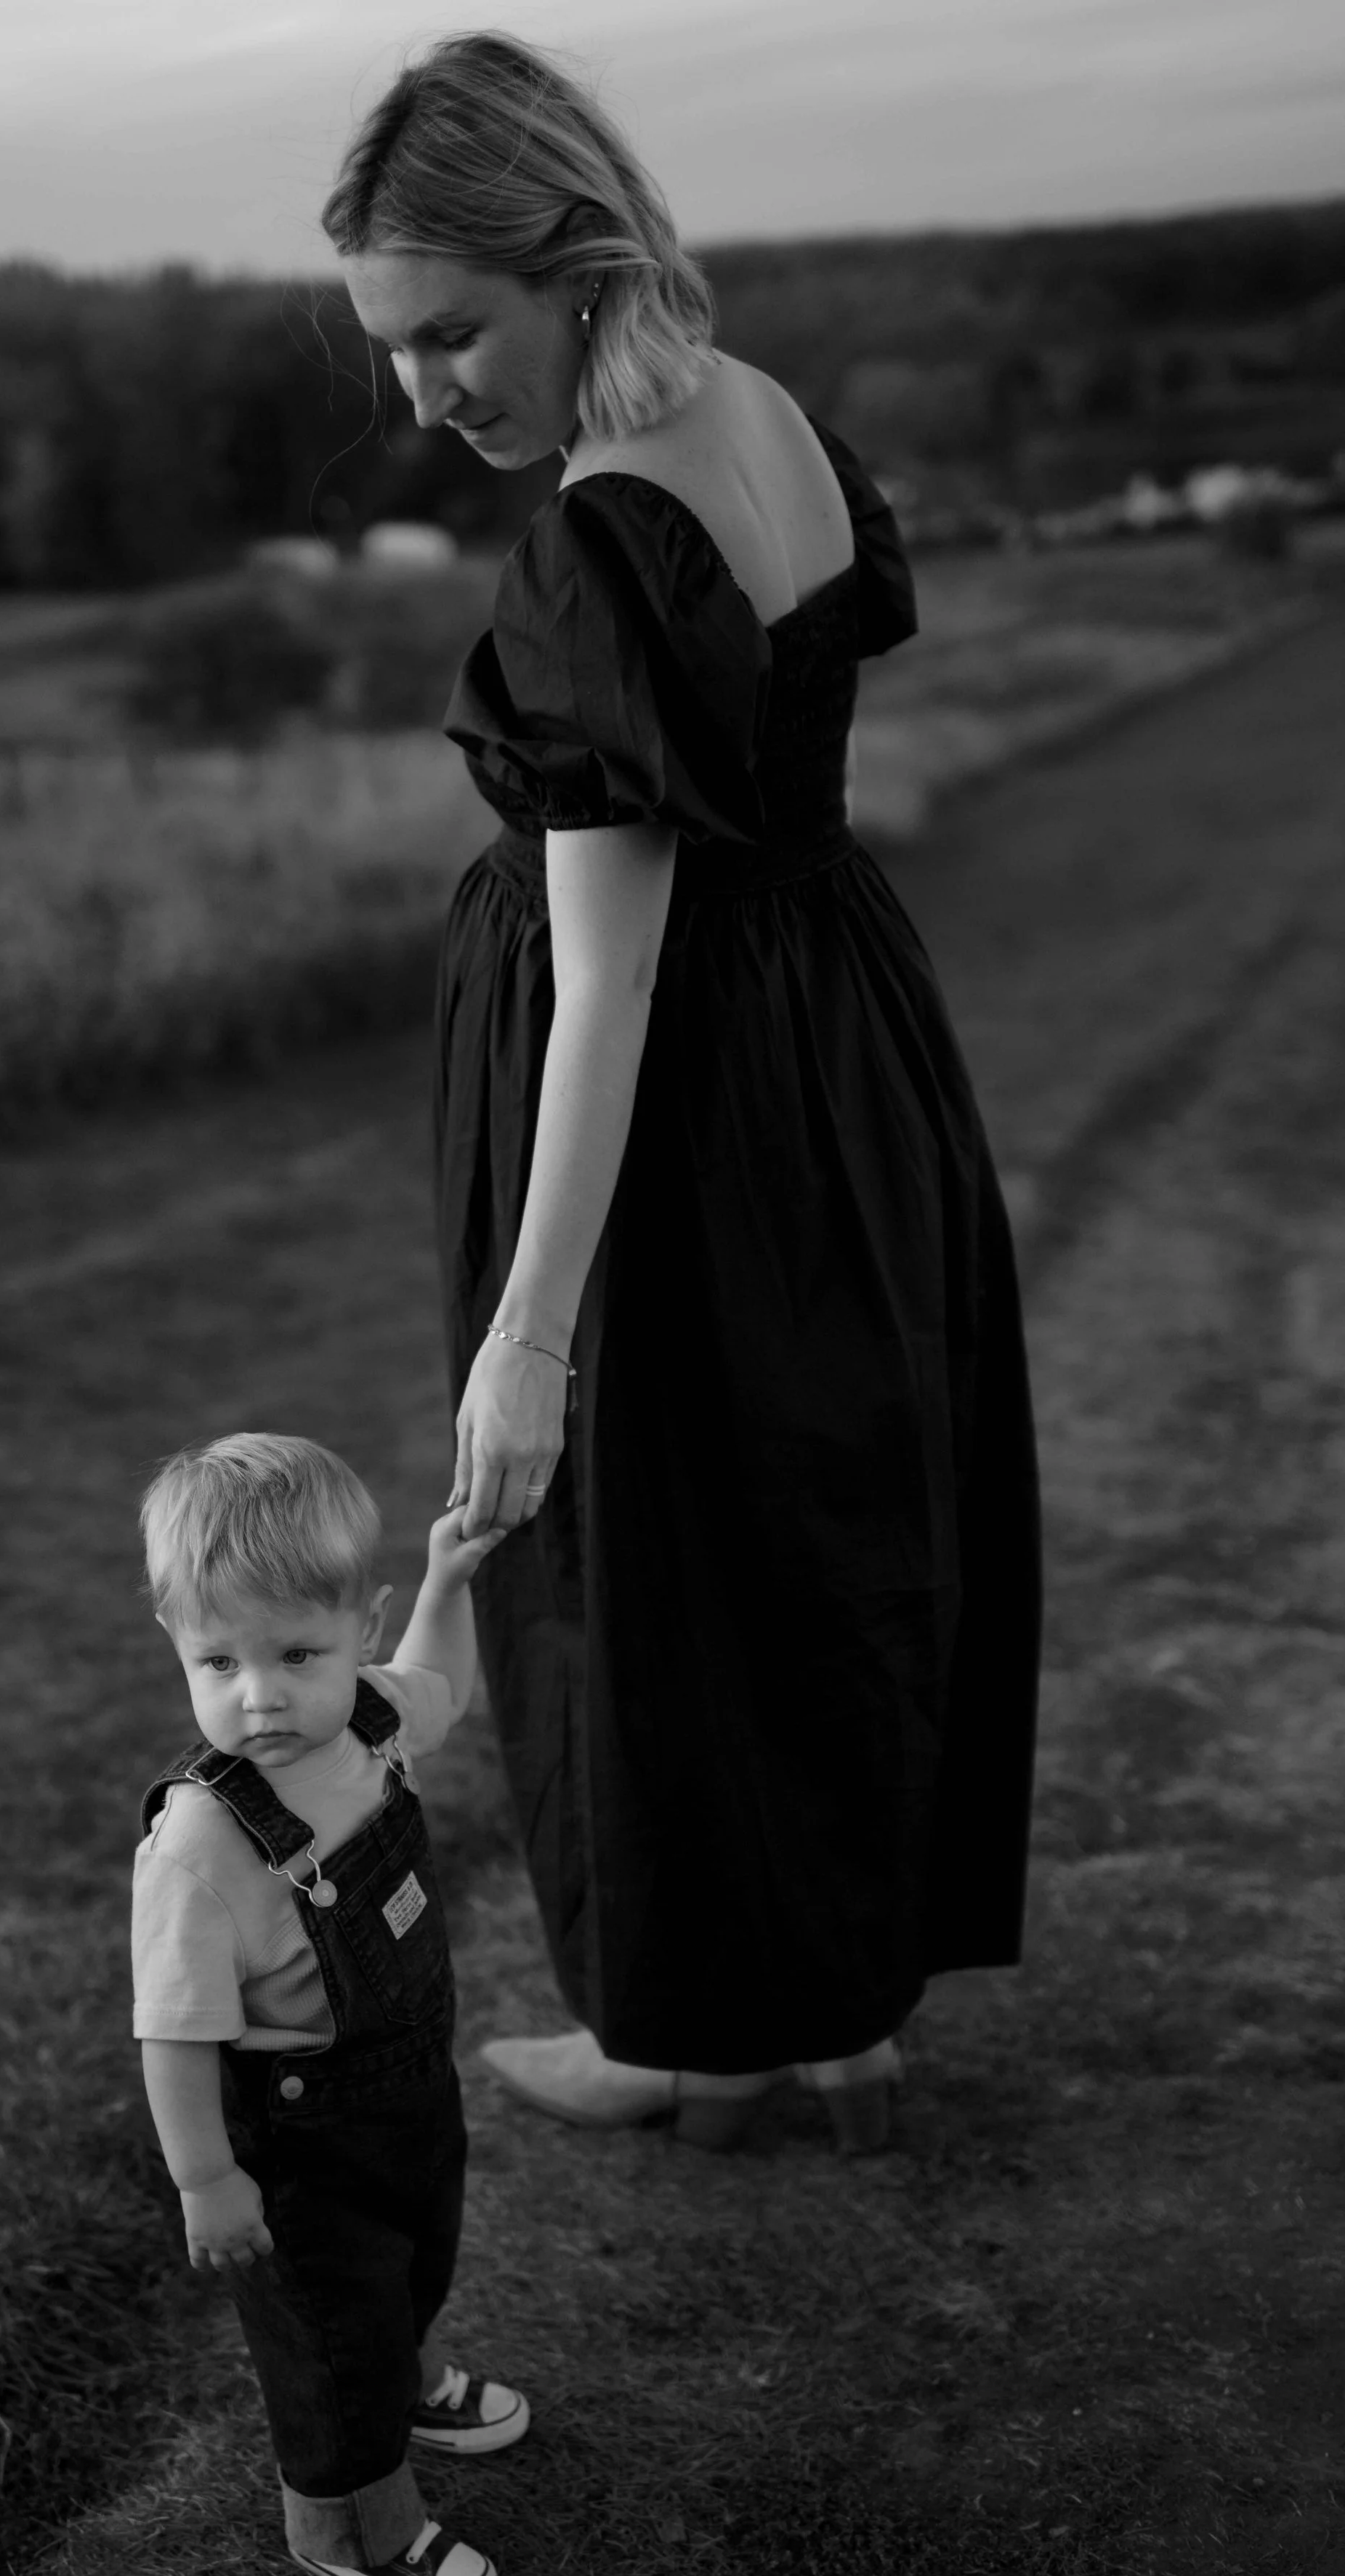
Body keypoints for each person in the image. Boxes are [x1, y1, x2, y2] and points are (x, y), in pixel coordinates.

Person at [321, 34, 1041, 2155]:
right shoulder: (765, 419)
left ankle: (689, 2029)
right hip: (836, 1026)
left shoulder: (599, 537)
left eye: (452, 329)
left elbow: (614, 969)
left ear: (576, 260)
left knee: (641, 1546)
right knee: (810, 1514)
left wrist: (526, 1338)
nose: (423, 397)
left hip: (684, 1081)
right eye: (388, 347)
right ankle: (826, 2000)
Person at [132, 1432, 528, 2576]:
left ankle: (402, 2378)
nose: (260, 1695)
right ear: (178, 1646)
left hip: (406, 2092)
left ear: (364, 1627)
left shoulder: (365, 1724)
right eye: (219, 1659)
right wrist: (207, 2178)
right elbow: (172, 2032)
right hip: (293, 2142)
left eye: (298, 1651)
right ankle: (353, 2520)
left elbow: (444, 1689)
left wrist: (451, 1581)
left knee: (413, 2259)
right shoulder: (202, 1844)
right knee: (325, 2329)